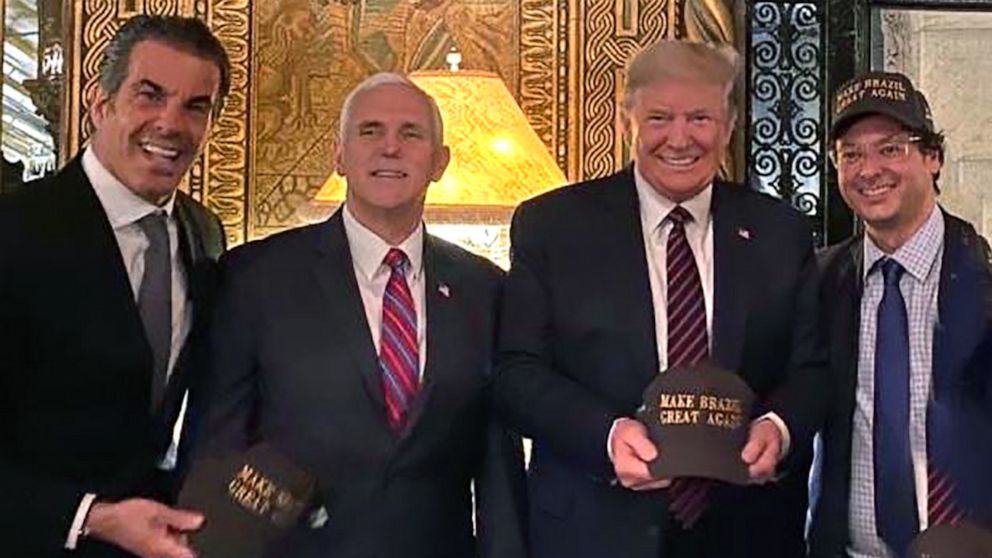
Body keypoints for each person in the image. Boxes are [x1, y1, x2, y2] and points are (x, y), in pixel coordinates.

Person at [494, 38, 825, 558]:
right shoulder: (552, 227)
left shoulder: (781, 231)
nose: (679, 138)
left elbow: (813, 369)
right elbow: (516, 372)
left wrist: (779, 429)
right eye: (659, 117)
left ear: (729, 125)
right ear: (627, 121)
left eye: (700, 117)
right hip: (593, 528)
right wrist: (606, 435)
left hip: (748, 531)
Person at [197, 72, 527, 558]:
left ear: (440, 162)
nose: (390, 148)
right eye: (369, 131)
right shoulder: (256, 276)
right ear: (338, 156)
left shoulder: (487, 288)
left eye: (411, 133)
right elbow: (220, 445)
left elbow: (498, 465)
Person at [0, 14, 229, 558]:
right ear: (101, 105)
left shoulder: (205, 233)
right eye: (149, 95)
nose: (171, 123)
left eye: (195, 106)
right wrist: (90, 518)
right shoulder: (14, 232)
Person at [808, 71, 992, 558]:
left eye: (890, 148)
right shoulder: (819, 284)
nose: (869, 170)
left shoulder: (985, 282)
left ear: (933, 158)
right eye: (851, 154)